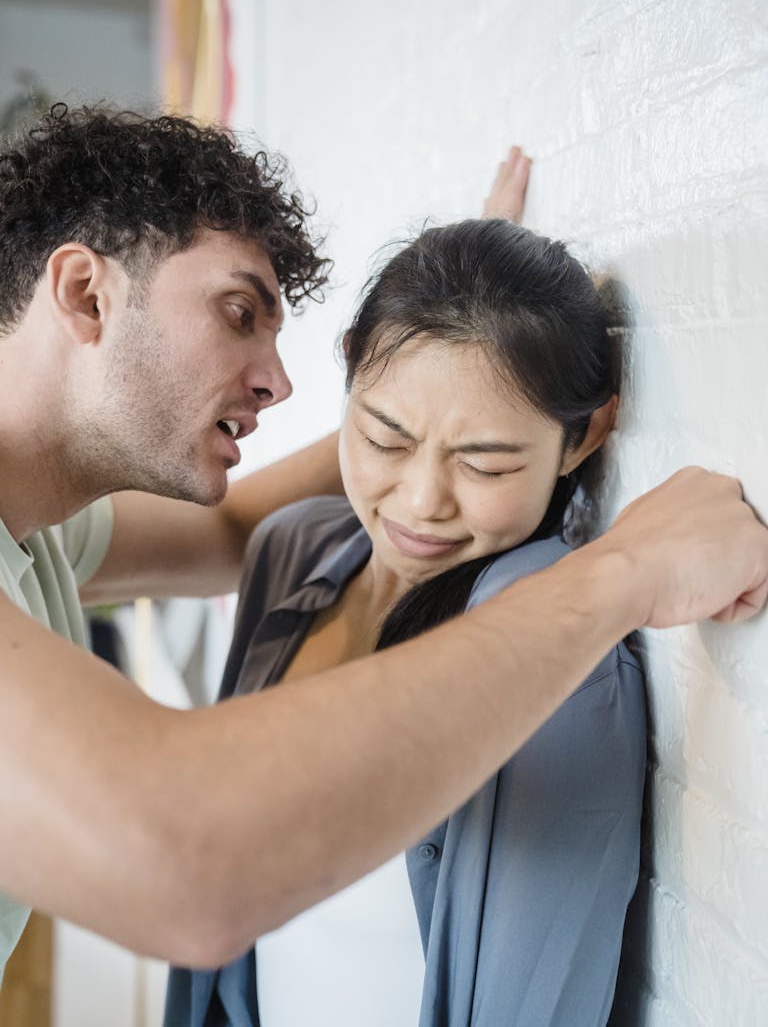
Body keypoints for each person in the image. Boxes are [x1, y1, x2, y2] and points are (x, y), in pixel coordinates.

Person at [0, 106, 765, 996]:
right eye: (238, 310)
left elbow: (231, 532)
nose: (279, 381)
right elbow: (185, 867)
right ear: (86, 293)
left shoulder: (38, 523)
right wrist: (630, 569)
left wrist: (466, 353)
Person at [165, 215, 641, 1027]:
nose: (422, 502)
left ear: (585, 435)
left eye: (485, 463)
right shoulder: (293, 548)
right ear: (349, 366)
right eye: (385, 437)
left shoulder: (557, 646)